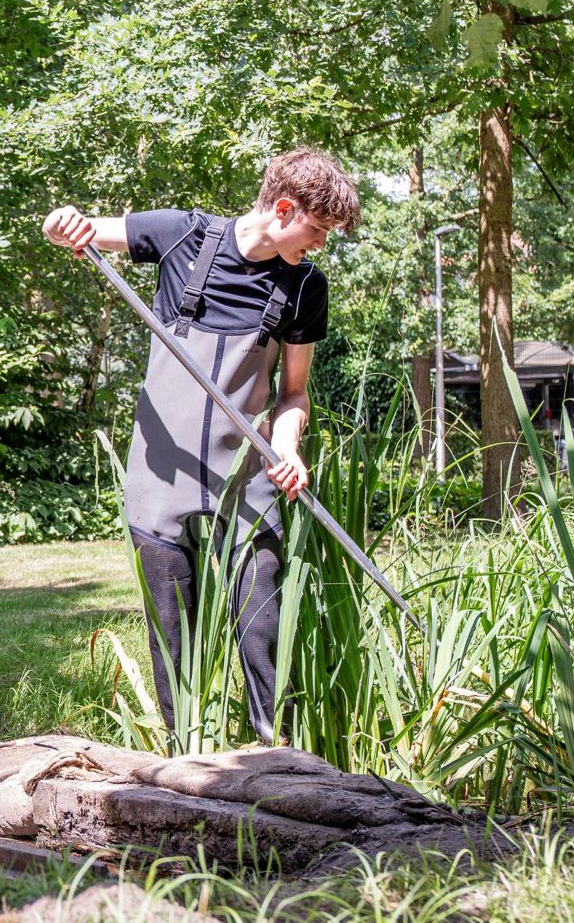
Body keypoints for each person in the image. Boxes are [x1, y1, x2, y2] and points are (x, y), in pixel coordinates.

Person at [42, 148, 359, 745]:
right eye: (318, 228)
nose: (321, 243)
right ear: (283, 209)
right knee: (172, 634)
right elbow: (79, 228)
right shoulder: (181, 236)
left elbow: (293, 394)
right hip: (162, 474)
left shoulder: (304, 287)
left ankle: (279, 754)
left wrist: (288, 449)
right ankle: (183, 755)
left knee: (262, 625)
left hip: (247, 477)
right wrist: (62, 223)